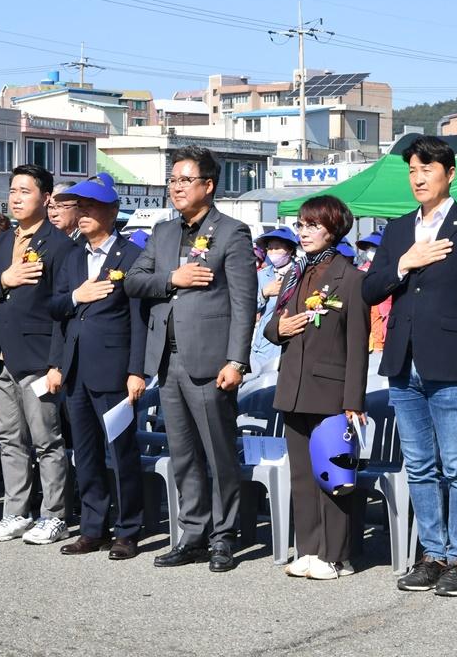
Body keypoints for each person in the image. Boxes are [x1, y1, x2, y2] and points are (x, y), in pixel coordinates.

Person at [362, 135, 457, 597]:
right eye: (412, 171)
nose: (418, 178)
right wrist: (405, 262)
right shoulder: (399, 229)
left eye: (426, 169)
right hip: (404, 362)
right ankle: (432, 553)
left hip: (455, 362)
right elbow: (371, 291)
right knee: (419, 465)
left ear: (450, 173)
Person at [125, 146, 257, 573]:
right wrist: (172, 279)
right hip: (169, 360)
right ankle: (193, 532)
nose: (176, 187)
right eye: (172, 180)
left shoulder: (232, 232)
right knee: (183, 454)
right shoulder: (162, 233)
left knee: (219, 453)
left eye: (184, 180)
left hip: (211, 360)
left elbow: (243, 302)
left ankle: (224, 535)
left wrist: (237, 360)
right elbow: (134, 281)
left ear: (208, 185)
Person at [0, 164, 75, 545]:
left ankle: (55, 514)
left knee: (47, 439)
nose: (15, 197)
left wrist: (57, 362)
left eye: (24, 191)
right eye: (12, 190)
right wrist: (4, 279)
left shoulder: (61, 244)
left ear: (46, 198)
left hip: (39, 356)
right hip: (1, 356)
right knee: (11, 439)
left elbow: (66, 310)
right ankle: (16, 511)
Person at [264, 196, 369, 580]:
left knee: (334, 475)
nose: (304, 232)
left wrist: (352, 400)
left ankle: (335, 554)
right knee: (302, 474)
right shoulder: (293, 274)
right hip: (293, 384)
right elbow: (271, 324)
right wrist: (280, 329)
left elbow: (359, 344)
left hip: (332, 388)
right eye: (301, 225)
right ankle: (308, 549)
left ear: (334, 228)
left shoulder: (352, 278)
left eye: (313, 225)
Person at [47, 176, 148, 560]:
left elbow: (140, 319)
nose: (83, 213)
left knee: (121, 453)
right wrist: (57, 362)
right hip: (75, 370)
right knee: (85, 454)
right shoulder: (73, 257)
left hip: (115, 368)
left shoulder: (132, 255)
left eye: (91, 206)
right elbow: (57, 311)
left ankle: (127, 529)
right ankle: (92, 527)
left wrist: (137, 370)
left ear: (112, 211)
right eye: (80, 206)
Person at [250, 227, 299, 376]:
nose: (272, 252)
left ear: (290, 250)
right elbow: (248, 307)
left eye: (277, 248)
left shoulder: (301, 274)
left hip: (290, 344)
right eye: (269, 248)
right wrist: (264, 293)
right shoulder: (262, 275)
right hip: (263, 346)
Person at [356, 232, 389, 352]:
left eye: (374, 248)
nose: (371, 252)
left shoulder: (391, 271)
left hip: (387, 331)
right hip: (367, 331)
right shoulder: (360, 272)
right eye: (369, 248)